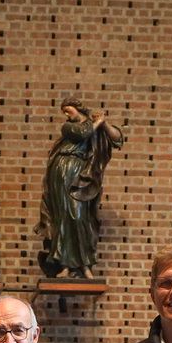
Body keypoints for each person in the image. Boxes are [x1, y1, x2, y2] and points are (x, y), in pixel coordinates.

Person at [36, 100, 125, 278]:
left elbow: (117, 139)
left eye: (68, 110)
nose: (66, 114)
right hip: (63, 172)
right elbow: (84, 133)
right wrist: (98, 122)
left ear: (77, 108)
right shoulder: (68, 127)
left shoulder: (94, 125)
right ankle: (65, 266)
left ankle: (84, 265)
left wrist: (104, 123)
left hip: (83, 174)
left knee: (81, 218)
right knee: (64, 217)